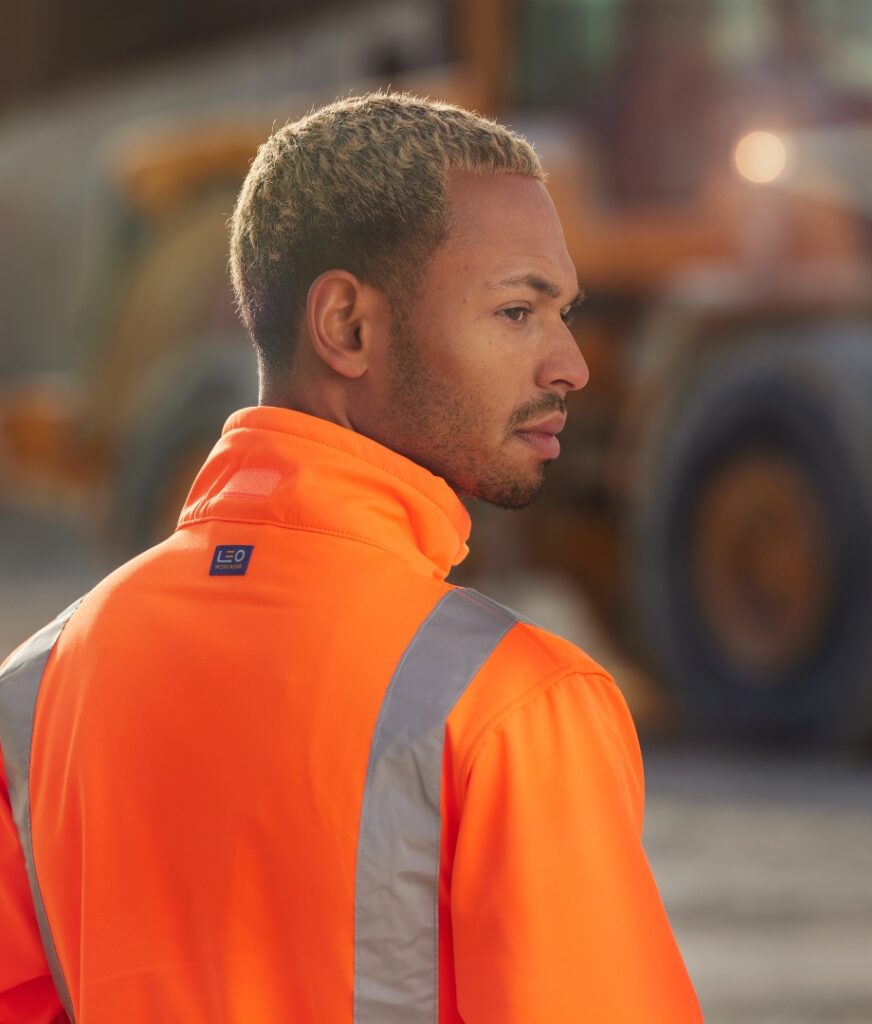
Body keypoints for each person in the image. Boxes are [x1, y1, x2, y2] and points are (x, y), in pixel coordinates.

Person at [0, 92, 702, 1023]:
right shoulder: (510, 707)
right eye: (517, 312)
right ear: (347, 327)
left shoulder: (34, 693)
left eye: (563, 313)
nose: (570, 363)